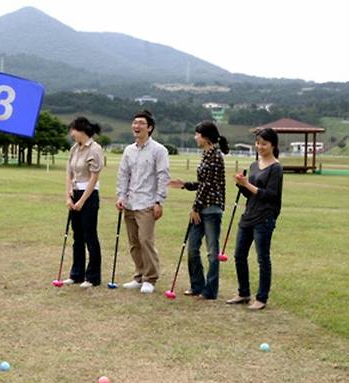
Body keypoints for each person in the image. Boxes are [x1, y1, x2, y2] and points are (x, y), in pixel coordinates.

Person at [169, 121, 228, 300]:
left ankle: (210, 291)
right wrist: (185, 184)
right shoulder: (206, 154)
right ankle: (197, 286)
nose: (195, 137)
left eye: (197, 134)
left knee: (212, 251)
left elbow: (208, 186)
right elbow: (203, 184)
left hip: (211, 209)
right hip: (202, 207)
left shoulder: (215, 156)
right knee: (192, 248)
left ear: (205, 137)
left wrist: (195, 207)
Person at [226, 128, 283, 310]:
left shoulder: (276, 168)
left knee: (262, 258)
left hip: (264, 218)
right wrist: (241, 185)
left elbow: (270, 195)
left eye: (264, 143)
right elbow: (250, 195)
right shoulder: (254, 165)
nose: (259, 146)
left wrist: (247, 184)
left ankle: (261, 298)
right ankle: (243, 293)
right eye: (257, 143)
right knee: (239, 255)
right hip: (249, 215)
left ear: (272, 145)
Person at [116, 110, 170, 294]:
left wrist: (159, 201)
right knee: (133, 243)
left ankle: (150, 278)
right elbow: (123, 175)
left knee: (145, 240)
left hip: (147, 203)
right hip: (130, 202)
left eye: (141, 123)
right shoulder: (128, 150)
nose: (136, 126)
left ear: (150, 128)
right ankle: (139, 276)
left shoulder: (159, 150)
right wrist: (121, 196)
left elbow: (163, 176)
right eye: (134, 123)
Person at [62, 117, 104, 288]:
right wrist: (68, 196)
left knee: (90, 235)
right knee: (77, 236)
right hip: (75, 192)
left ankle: (93, 276)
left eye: (73, 130)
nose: (71, 134)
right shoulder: (74, 149)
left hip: (89, 195)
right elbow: (69, 174)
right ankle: (76, 274)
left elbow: (94, 177)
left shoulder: (95, 149)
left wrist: (82, 201)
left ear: (81, 131)